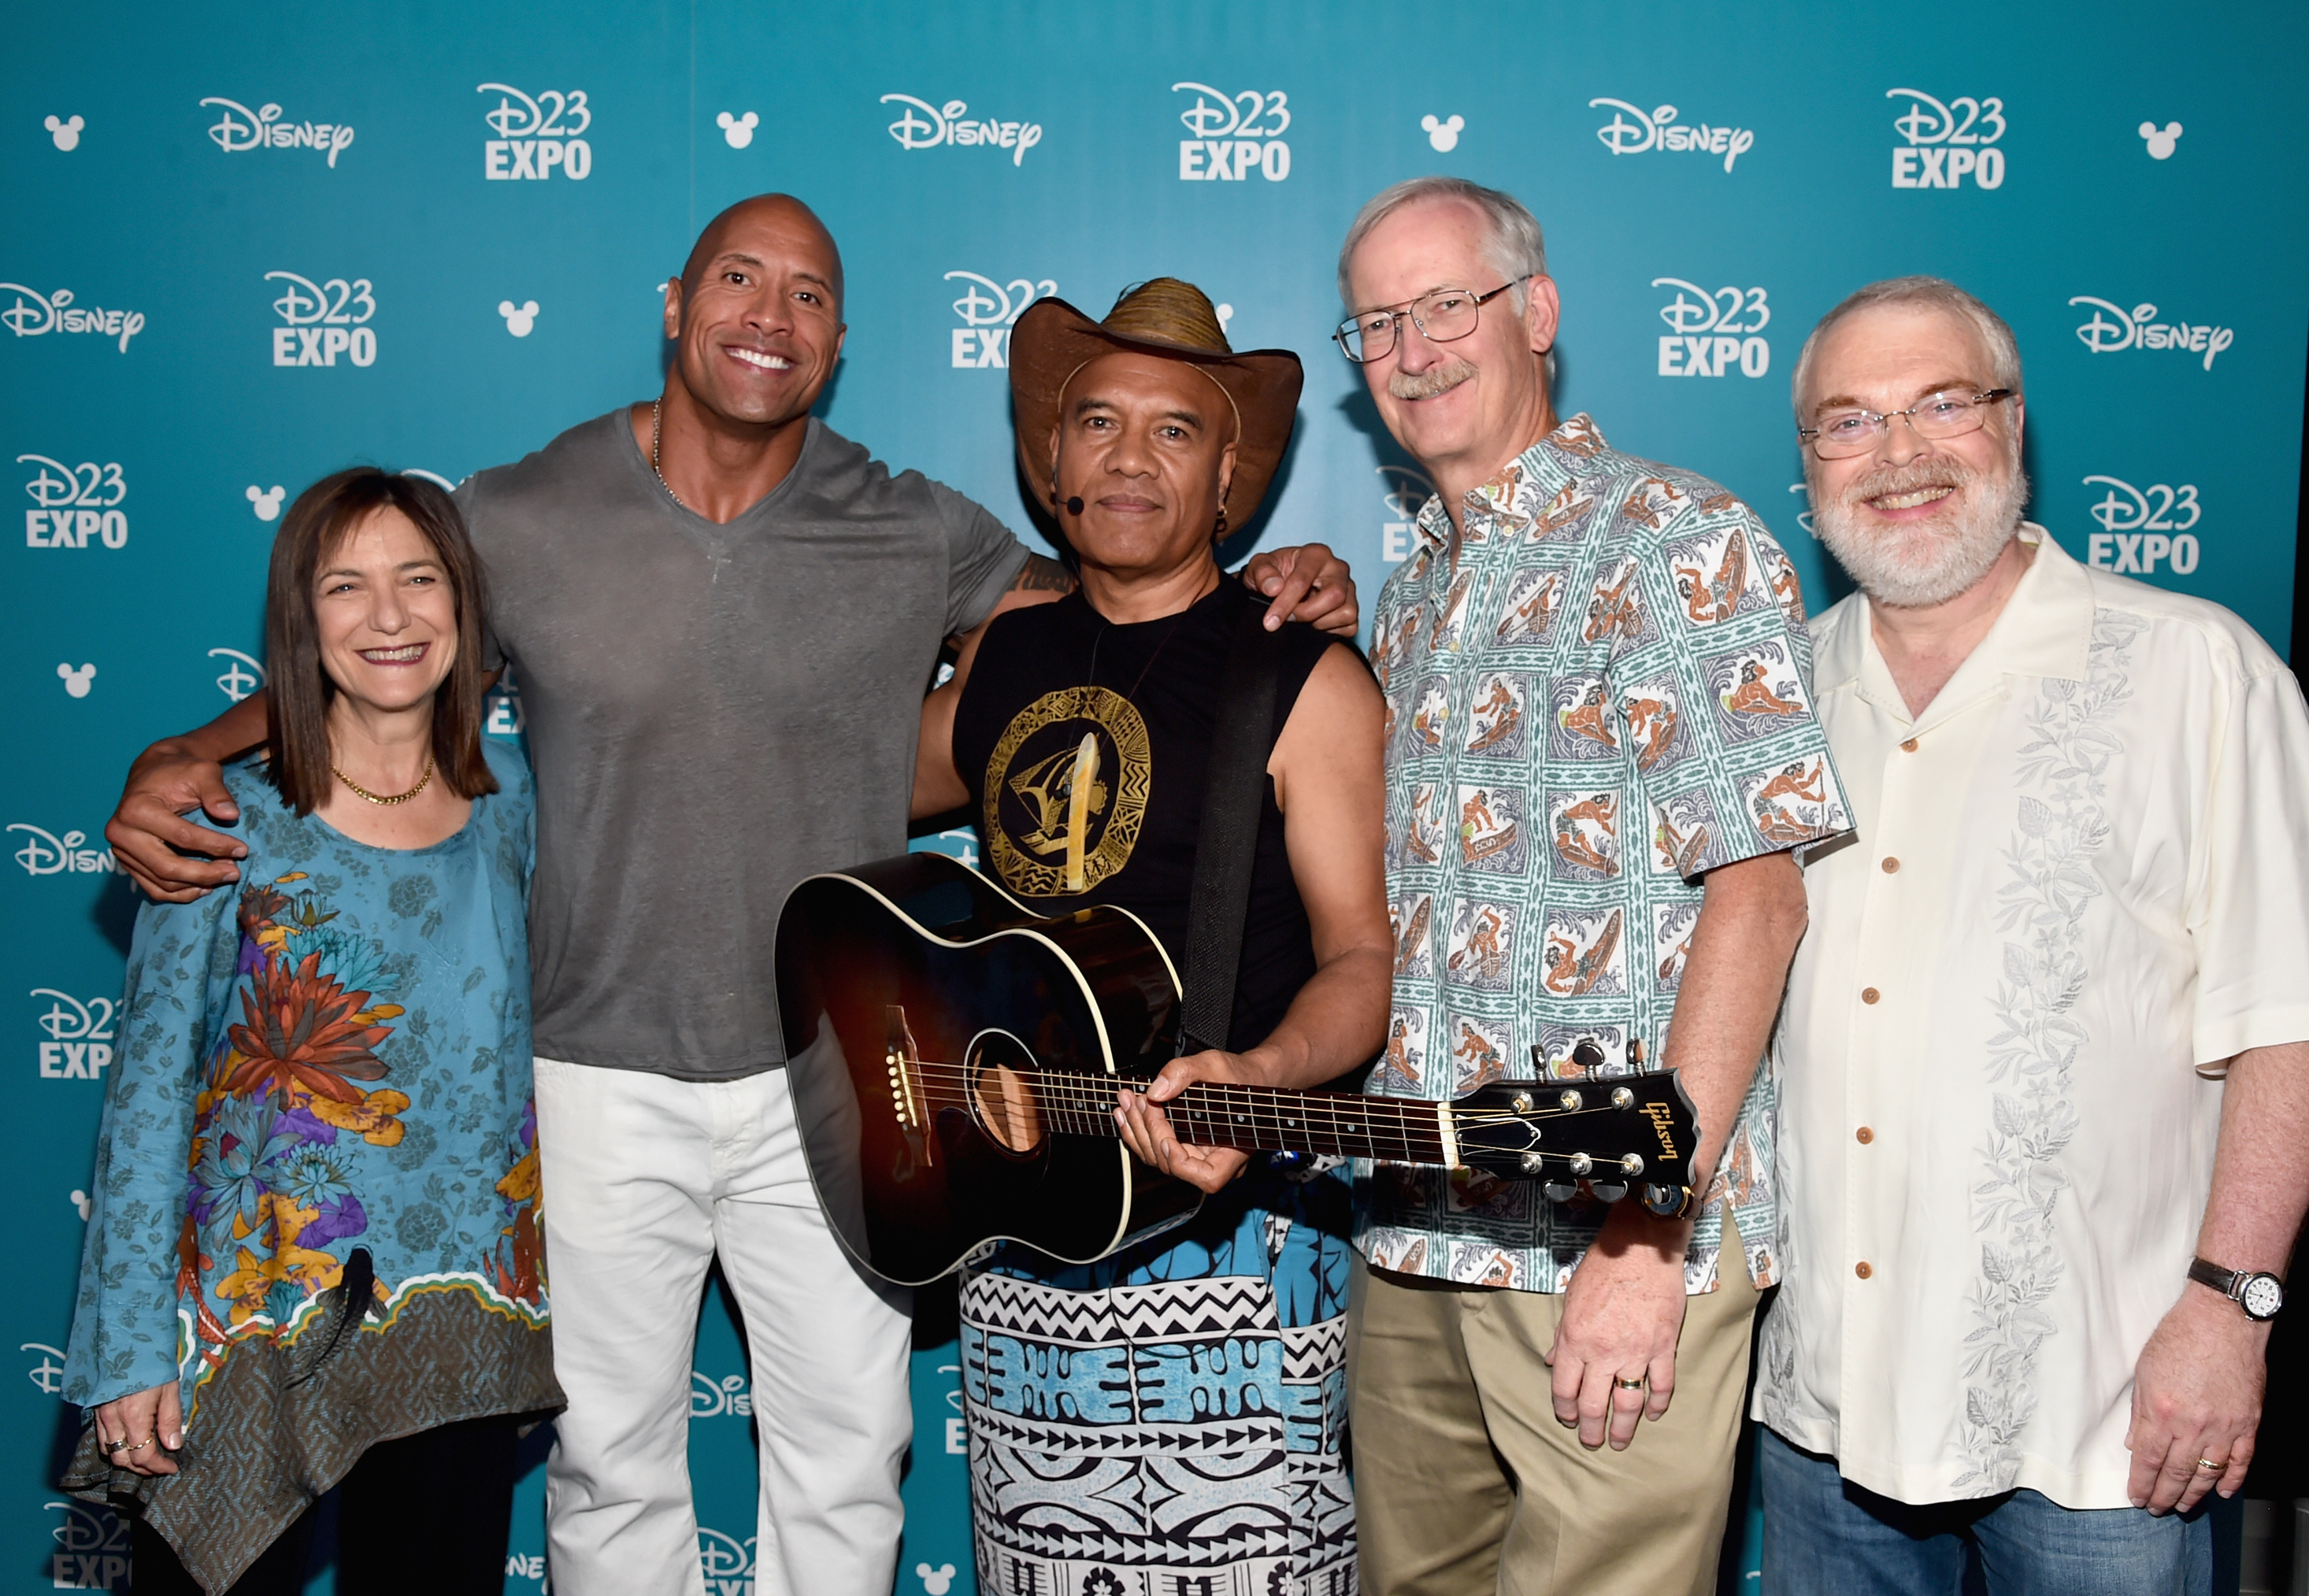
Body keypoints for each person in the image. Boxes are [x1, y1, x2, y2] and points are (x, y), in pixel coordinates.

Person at [98, 194, 1358, 1596]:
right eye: (740, 280)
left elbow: (1125, 595)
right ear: (673, 304)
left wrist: (1282, 582)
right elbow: (377, 653)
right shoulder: (518, 513)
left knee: (846, 1456)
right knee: (605, 1464)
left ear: (837, 343)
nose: (772, 315)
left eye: (810, 295)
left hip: (847, 1072)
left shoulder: (911, 527)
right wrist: (189, 752)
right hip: (584, 1072)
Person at [1754, 276, 2309, 1594]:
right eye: (1847, 423)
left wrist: (2231, 1309)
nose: (1899, 455)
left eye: (1941, 405)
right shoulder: (1775, 697)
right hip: (1819, 1415)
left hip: (2106, 1425)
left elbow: (2292, 1023)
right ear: (1806, 467)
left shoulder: (2199, 672)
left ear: (2013, 427)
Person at [1337, 176, 1852, 1596]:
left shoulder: (1677, 543)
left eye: (1448, 303)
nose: (1415, 348)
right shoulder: (1415, 597)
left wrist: (1649, 1229)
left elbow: (1761, 896)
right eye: (1377, 323)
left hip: (1607, 1250)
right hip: (1419, 1231)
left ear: (1537, 312)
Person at [910, 278, 1391, 1596]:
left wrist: (1267, 1078)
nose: (1130, 457)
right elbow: (823, 775)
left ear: (1230, 474)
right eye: (1099, 424)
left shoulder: (1305, 673)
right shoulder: (1004, 657)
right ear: (1050, 461)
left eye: (1175, 431)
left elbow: (1361, 965)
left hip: (1231, 1242)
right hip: (1021, 1232)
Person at [61, 469, 558, 1594]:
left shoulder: (519, 802)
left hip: (458, 1320)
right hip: (247, 1326)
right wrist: (129, 1350)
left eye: (418, 579)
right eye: (348, 587)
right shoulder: (226, 818)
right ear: (302, 620)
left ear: (465, 609)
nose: (389, 618)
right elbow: (144, 1098)